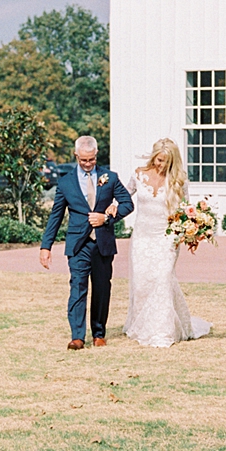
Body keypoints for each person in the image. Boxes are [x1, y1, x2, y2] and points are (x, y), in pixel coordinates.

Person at [114, 137, 210, 348]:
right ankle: (141, 326)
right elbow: (123, 196)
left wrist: (192, 236)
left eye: (166, 161)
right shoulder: (139, 175)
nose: (161, 165)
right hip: (142, 237)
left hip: (167, 238)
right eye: (158, 160)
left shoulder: (179, 180)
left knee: (163, 278)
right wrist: (111, 208)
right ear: (153, 156)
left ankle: (162, 331)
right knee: (142, 281)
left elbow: (186, 210)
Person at [39, 136, 134, 350]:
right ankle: (77, 336)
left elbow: (128, 203)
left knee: (101, 289)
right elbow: (55, 216)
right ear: (76, 156)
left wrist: (107, 218)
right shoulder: (65, 183)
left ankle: (99, 333)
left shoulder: (110, 177)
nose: (88, 164)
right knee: (78, 287)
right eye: (83, 160)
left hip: (102, 244)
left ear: (96, 155)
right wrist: (46, 247)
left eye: (91, 160)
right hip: (78, 244)